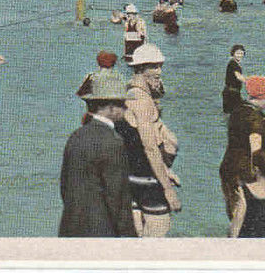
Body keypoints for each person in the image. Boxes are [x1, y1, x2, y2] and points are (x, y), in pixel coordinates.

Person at [58, 73, 137, 237]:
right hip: (102, 232)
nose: (126, 108)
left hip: (70, 228)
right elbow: (118, 199)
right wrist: (130, 239)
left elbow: (65, 187)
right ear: (111, 108)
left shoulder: (76, 136)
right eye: (122, 104)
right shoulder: (113, 142)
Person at [118, 43, 180, 237]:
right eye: (154, 66)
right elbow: (150, 148)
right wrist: (168, 189)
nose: (159, 71)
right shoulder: (142, 101)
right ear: (140, 69)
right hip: (147, 179)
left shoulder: (126, 93)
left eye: (160, 66)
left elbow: (133, 143)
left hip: (130, 177)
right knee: (157, 235)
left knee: (134, 240)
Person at [219, 75, 265, 220]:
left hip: (228, 166)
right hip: (245, 170)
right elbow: (256, 152)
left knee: (234, 212)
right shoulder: (256, 119)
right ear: (259, 97)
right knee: (248, 216)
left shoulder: (237, 110)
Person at [221, 44, 247, 114]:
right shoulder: (233, 64)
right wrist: (250, 83)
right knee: (236, 113)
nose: (240, 55)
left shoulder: (235, 64)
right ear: (233, 53)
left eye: (241, 53)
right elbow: (238, 76)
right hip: (231, 94)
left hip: (233, 92)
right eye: (237, 53)